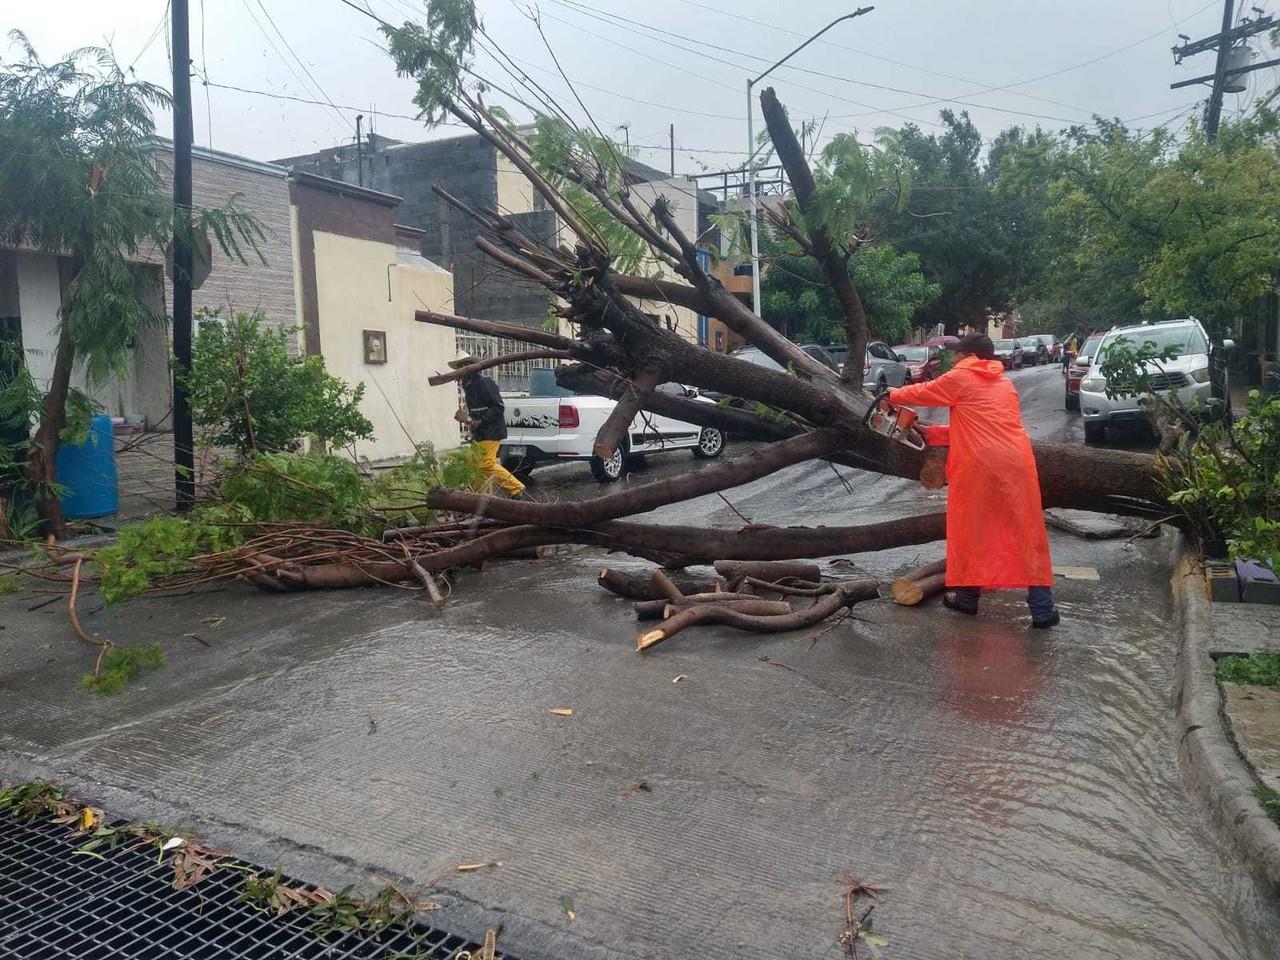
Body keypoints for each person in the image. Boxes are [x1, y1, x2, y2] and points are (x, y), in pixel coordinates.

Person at [886, 333, 1059, 627]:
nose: (953, 358)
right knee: (1026, 529)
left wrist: (889, 395)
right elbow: (981, 426)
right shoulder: (1005, 384)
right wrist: (936, 434)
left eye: (957, 353)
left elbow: (924, 392)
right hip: (1018, 463)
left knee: (971, 528)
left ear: (971, 356)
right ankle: (1042, 609)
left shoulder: (961, 377)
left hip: (979, 466)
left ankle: (967, 599)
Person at [449, 355, 527, 499]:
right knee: (472, 464)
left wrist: (481, 421)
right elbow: (479, 410)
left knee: (485, 464)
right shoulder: (469, 386)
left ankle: (516, 489)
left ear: (472, 368)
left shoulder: (484, 382)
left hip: (492, 430)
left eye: (463, 367)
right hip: (480, 432)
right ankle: (475, 494)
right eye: (459, 368)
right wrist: (470, 421)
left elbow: (498, 407)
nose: (460, 372)